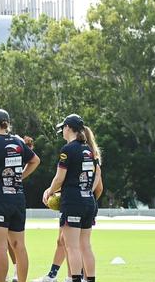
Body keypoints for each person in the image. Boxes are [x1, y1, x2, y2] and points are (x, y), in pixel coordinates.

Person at [0, 109, 41, 282]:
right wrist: (20, 176)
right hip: (17, 196)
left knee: (0, 249)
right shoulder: (18, 142)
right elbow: (35, 160)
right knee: (19, 247)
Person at [42, 114, 102, 282]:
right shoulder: (90, 150)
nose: (62, 131)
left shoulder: (67, 150)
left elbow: (59, 178)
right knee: (86, 246)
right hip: (88, 201)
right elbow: (97, 176)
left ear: (68, 128)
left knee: (72, 246)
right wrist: (87, 189)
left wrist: (49, 191)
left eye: (63, 128)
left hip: (73, 202)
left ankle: (75, 279)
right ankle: (90, 279)